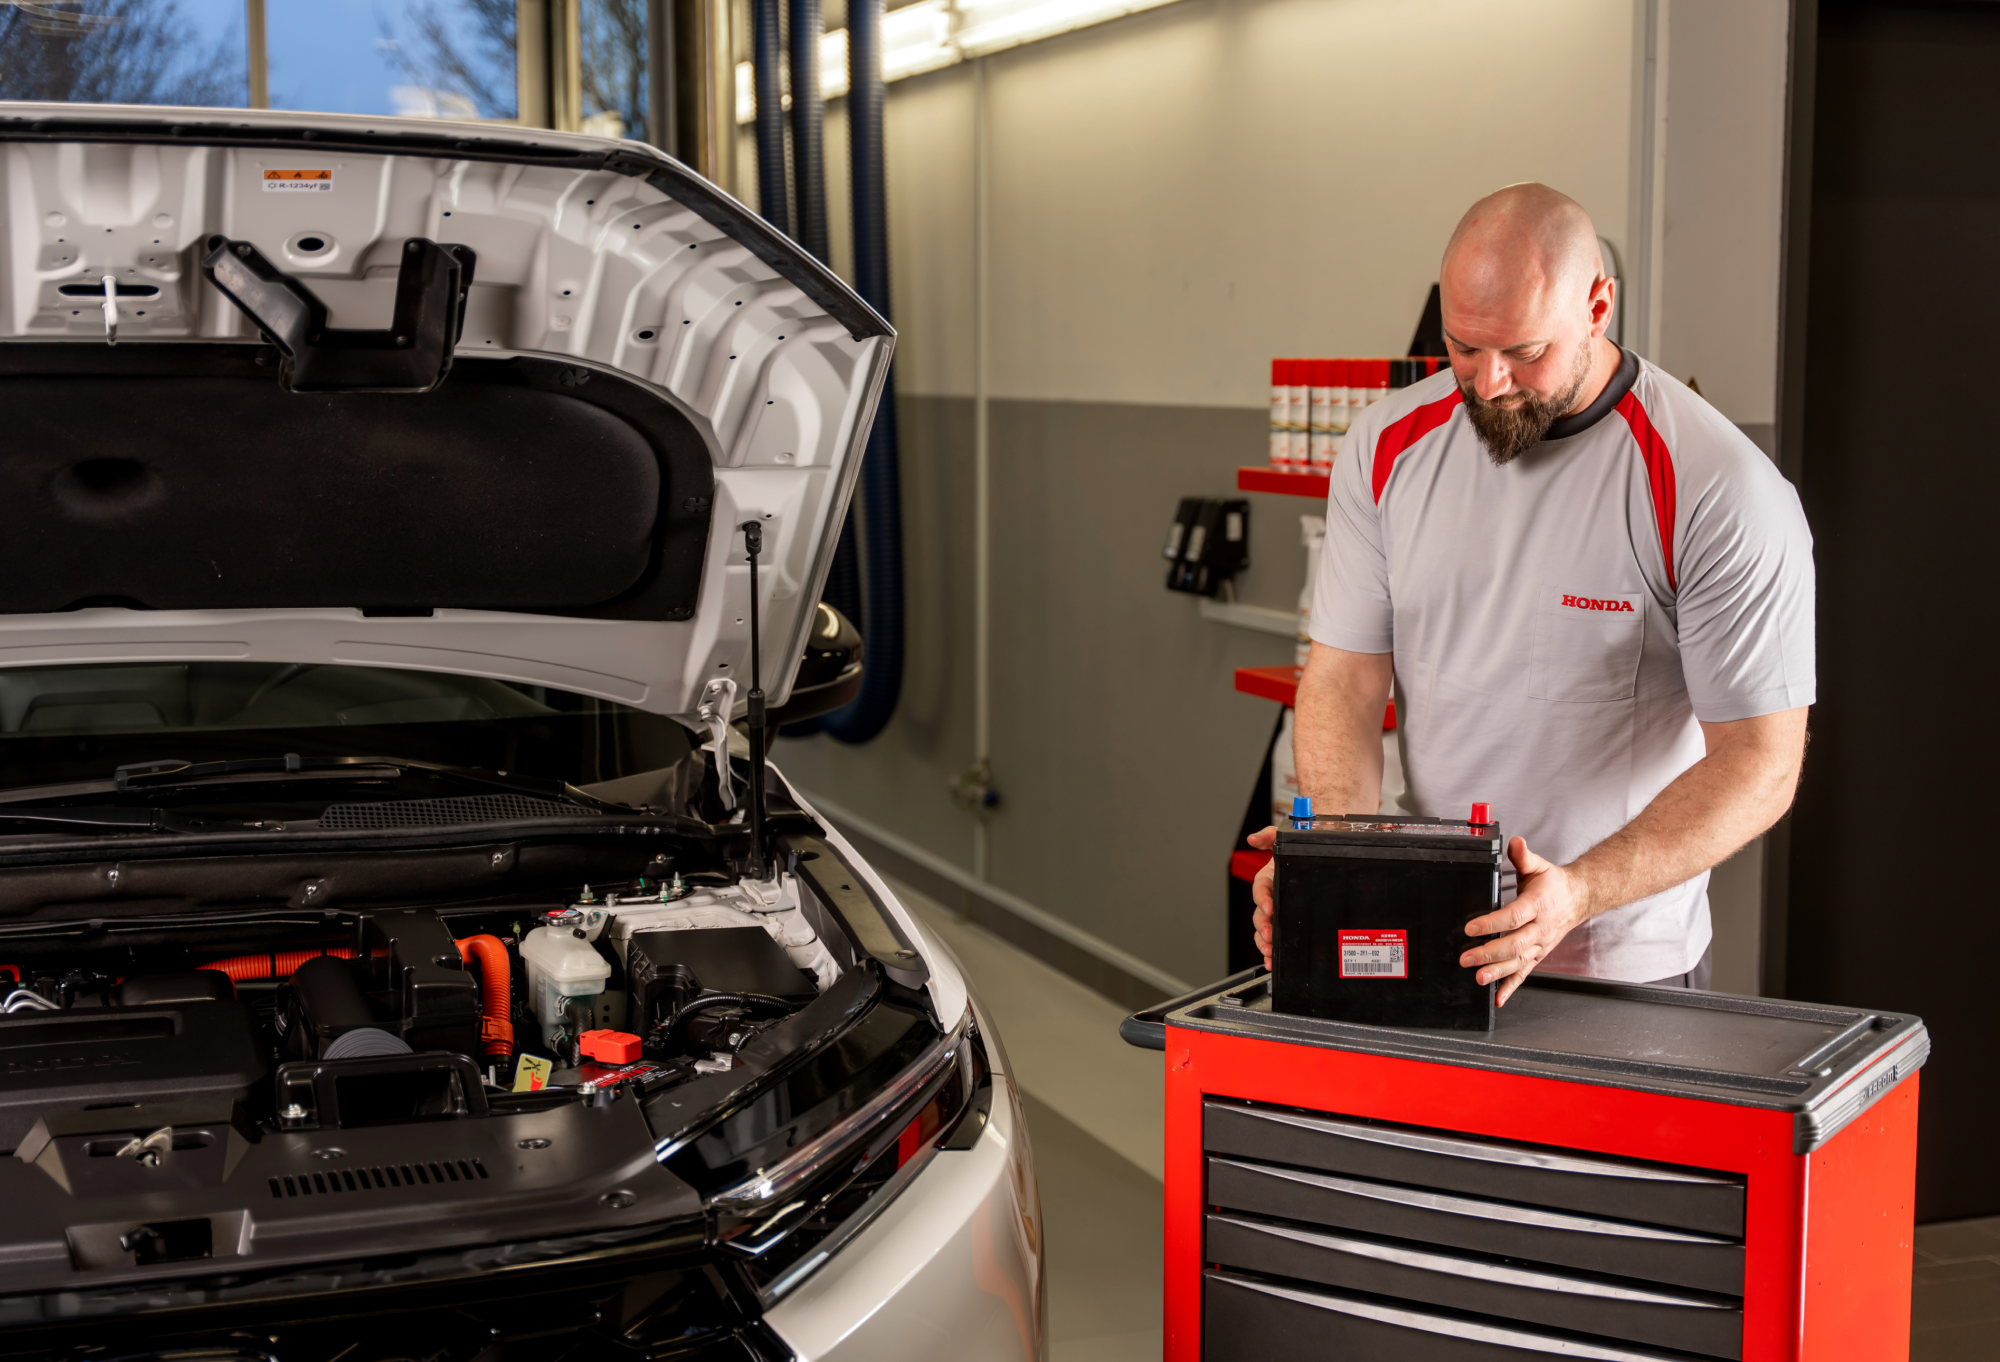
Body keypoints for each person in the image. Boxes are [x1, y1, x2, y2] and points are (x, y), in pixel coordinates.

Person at [1249, 183, 1813, 1003]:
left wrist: (1576, 894)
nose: (1488, 384)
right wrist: (1334, 858)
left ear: (1598, 305)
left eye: (1522, 351)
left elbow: (1761, 762)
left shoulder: (1714, 486)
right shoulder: (1384, 448)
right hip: (1431, 922)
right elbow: (1345, 677)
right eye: (1463, 349)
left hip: (1620, 958)